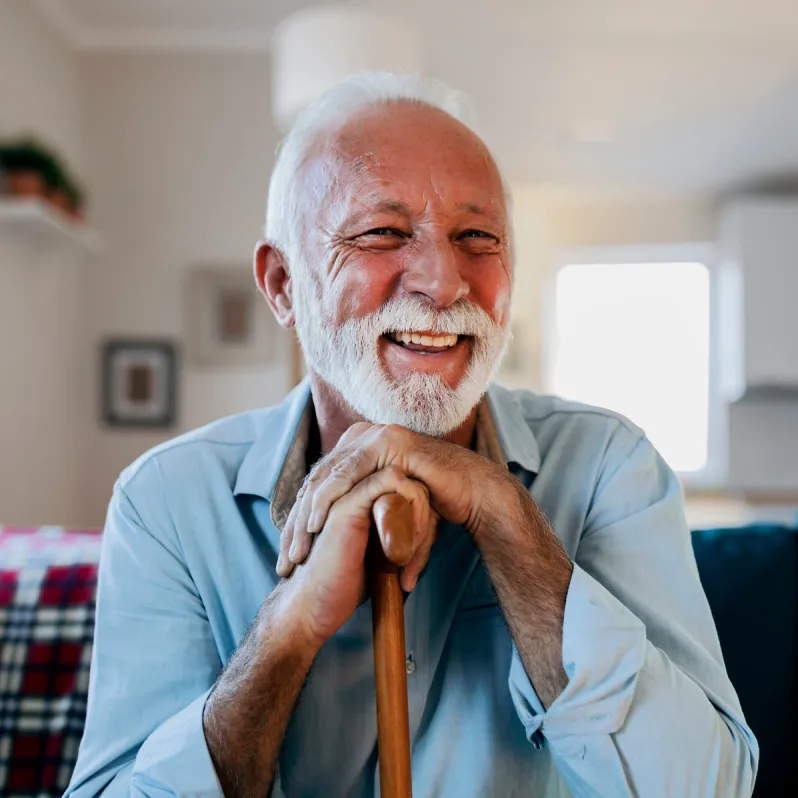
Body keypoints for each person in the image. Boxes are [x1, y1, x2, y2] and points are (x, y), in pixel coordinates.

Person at [66, 72, 757, 798]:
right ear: (280, 284)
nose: (444, 281)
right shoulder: (167, 500)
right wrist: (287, 632)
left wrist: (507, 518)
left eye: (476, 237)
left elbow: (705, 789)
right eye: (383, 233)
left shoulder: (612, 467)